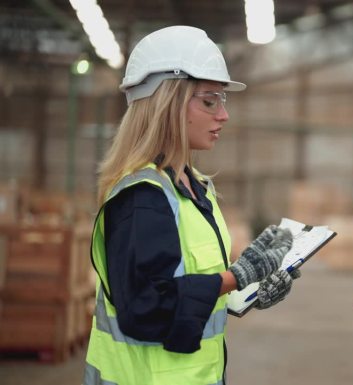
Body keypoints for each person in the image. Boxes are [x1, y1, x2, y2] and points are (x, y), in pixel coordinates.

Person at [83, 25, 300, 385]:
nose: (223, 116)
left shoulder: (195, 187)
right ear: (167, 102)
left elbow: (186, 283)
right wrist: (235, 276)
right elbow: (146, 307)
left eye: (222, 101)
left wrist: (247, 290)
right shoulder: (143, 199)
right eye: (209, 100)